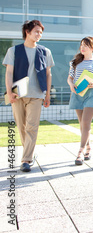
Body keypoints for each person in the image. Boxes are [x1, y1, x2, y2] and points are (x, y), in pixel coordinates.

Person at [3, 20, 55, 173]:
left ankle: (26, 160)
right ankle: (30, 152)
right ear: (27, 31)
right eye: (37, 31)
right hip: (17, 94)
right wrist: (9, 91)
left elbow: (48, 74)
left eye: (41, 32)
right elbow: (9, 73)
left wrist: (48, 96)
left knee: (32, 127)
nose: (39, 35)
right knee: (22, 127)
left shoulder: (45, 51)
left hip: (37, 94)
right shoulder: (13, 50)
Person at [67, 36, 93, 165]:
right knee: (82, 124)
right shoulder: (75, 62)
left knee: (86, 123)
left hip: (91, 94)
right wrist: (71, 85)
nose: (82, 47)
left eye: (86, 45)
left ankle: (80, 152)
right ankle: (88, 147)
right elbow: (70, 78)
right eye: (81, 45)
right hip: (78, 93)